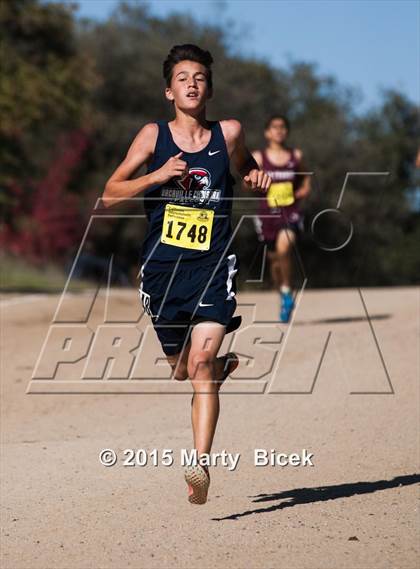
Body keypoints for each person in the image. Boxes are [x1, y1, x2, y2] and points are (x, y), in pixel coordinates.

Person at [102, 44, 271, 504]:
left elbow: (246, 167)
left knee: (198, 367)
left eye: (199, 77)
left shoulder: (229, 132)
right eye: (182, 77)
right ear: (168, 90)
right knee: (183, 369)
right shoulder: (152, 136)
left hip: (214, 265)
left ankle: (199, 464)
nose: (191, 83)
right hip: (163, 272)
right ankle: (219, 369)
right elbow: (111, 195)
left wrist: (255, 178)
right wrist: (156, 177)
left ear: (209, 88)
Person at [252, 115, 311, 322]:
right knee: (274, 262)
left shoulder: (295, 155)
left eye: (282, 127)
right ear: (267, 132)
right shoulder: (259, 157)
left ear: (286, 131)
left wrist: (304, 189)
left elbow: (305, 176)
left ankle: (287, 293)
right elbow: (246, 182)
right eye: (274, 127)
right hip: (267, 214)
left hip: (290, 212)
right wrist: (253, 183)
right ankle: (283, 291)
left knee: (285, 247)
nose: (279, 130)